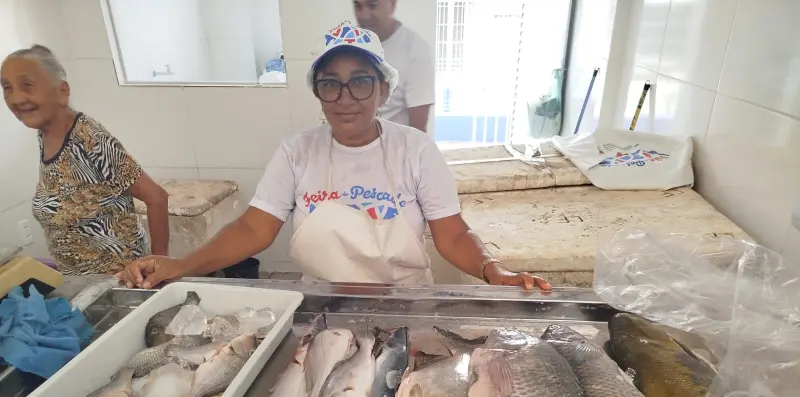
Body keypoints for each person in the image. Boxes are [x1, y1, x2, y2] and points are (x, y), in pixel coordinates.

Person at [117, 24, 551, 292]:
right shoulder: (297, 151)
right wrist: (182, 264)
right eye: (331, 84)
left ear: (383, 90)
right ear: (317, 93)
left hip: (403, 300)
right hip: (325, 302)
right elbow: (253, 229)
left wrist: (493, 270)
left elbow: (452, 235)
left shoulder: (415, 149)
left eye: (361, 82)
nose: (345, 98)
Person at [1, 45, 169, 275]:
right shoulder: (46, 134)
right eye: (7, 88)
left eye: (27, 85)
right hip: (81, 285)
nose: (16, 98)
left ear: (62, 91)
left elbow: (157, 197)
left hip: (121, 284)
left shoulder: (90, 140)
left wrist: (157, 271)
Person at [354, 0, 434, 132]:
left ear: (392, 4)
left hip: (393, 148)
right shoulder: (350, 45)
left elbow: (418, 130)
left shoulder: (415, 49)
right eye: (358, 6)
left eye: (373, 5)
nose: (363, 15)